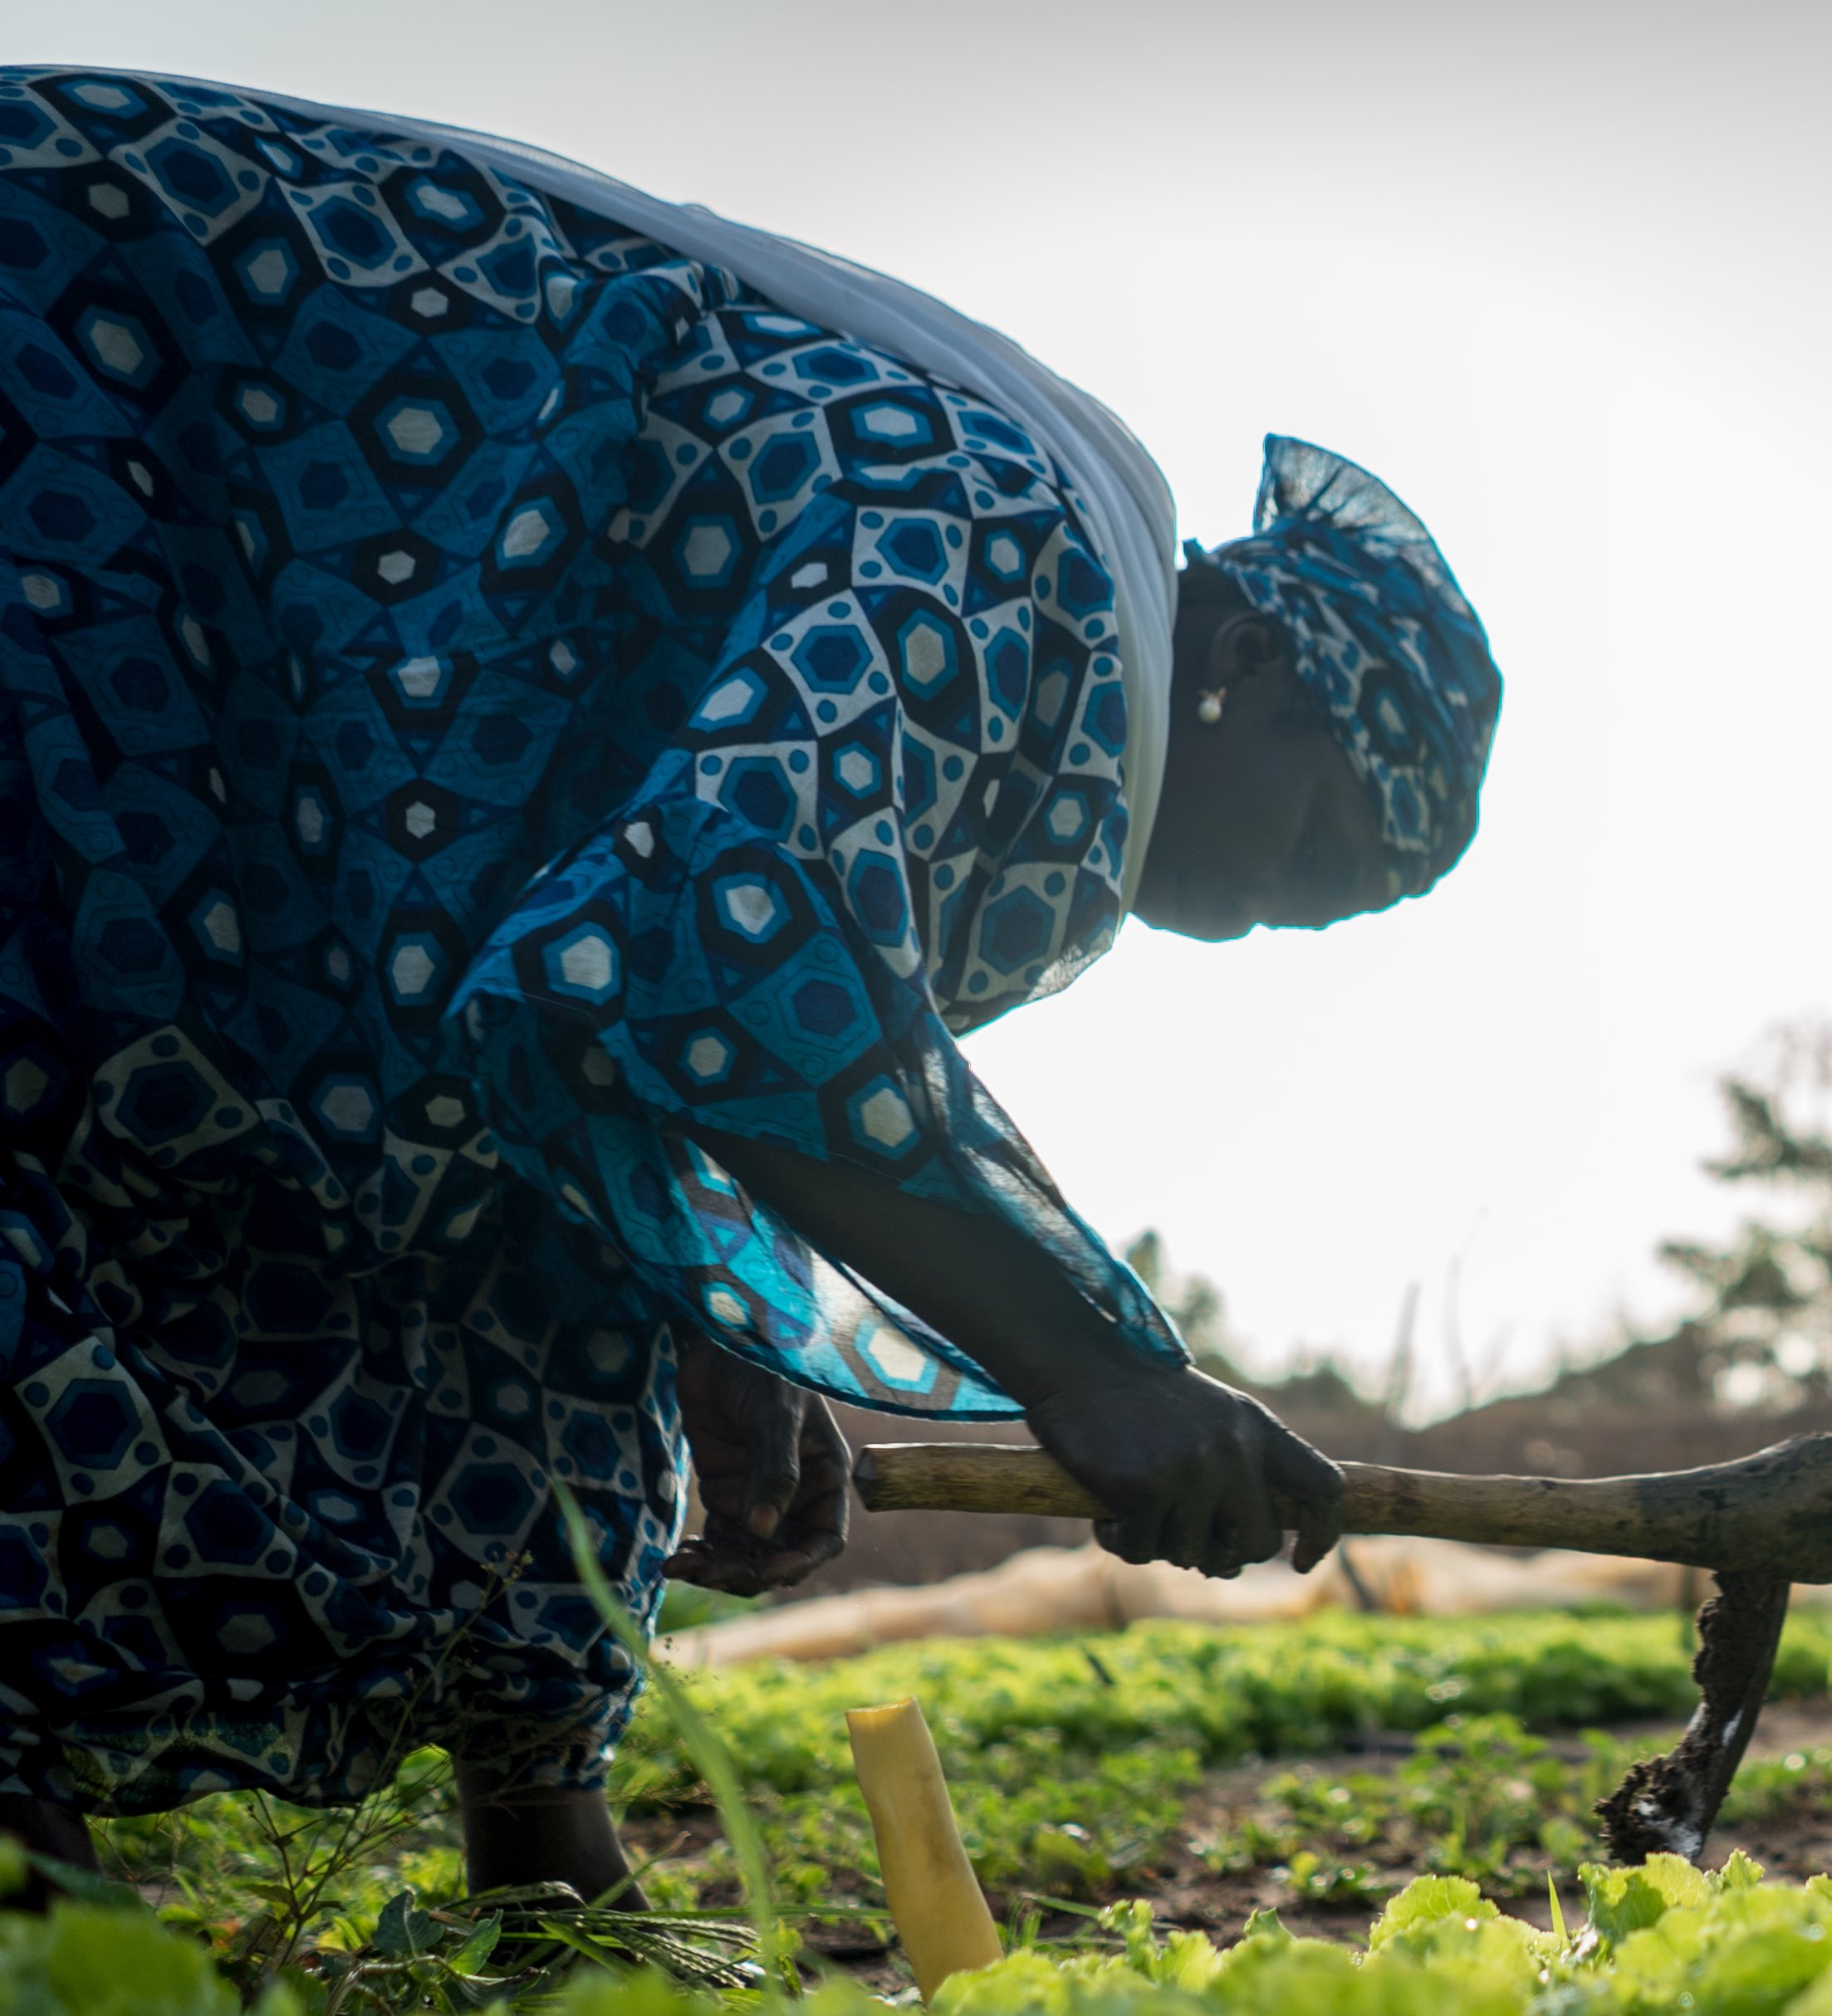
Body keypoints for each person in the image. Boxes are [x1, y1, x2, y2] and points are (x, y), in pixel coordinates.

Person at [0, 68, 1501, 1906]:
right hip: (95, 407)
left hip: (263, 695)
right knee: (76, 1086)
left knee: (490, 1204)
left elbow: (584, 1001)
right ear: (1257, 666)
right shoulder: (1010, 554)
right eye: (1310, 860)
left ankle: (540, 1866)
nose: (1251, 924)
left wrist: (725, 1316)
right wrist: (1089, 1367)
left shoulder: (1010, 666)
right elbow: (711, 939)